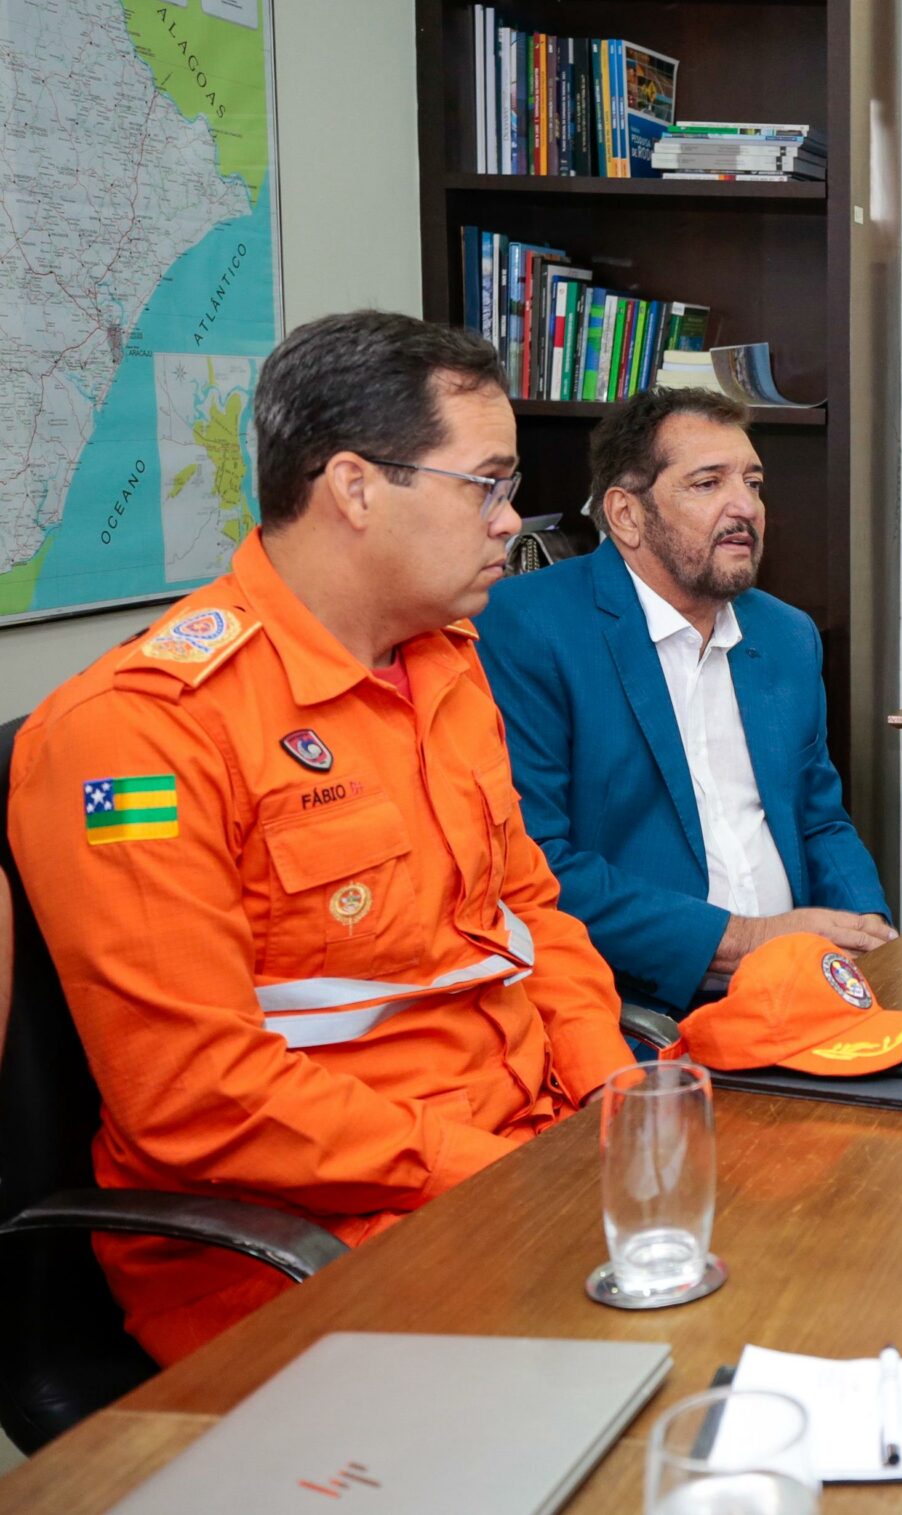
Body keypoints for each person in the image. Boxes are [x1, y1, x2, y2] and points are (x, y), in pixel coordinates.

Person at [5, 311, 635, 1364]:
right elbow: (195, 1098)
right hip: (303, 1241)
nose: (508, 523)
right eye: (486, 485)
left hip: (516, 1151)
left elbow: (527, 913)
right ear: (354, 487)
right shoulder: (139, 734)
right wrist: (498, 1173)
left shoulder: (443, 664)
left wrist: (618, 1096)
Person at [478, 388, 892, 1014]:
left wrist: (867, 933)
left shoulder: (786, 635)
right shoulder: (527, 626)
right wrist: (742, 941)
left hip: (803, 987)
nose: (745, 507)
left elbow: (818, 819)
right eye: (708, 483)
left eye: (753, 483)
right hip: (638, 1006)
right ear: (626, 514)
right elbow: (535, 863)